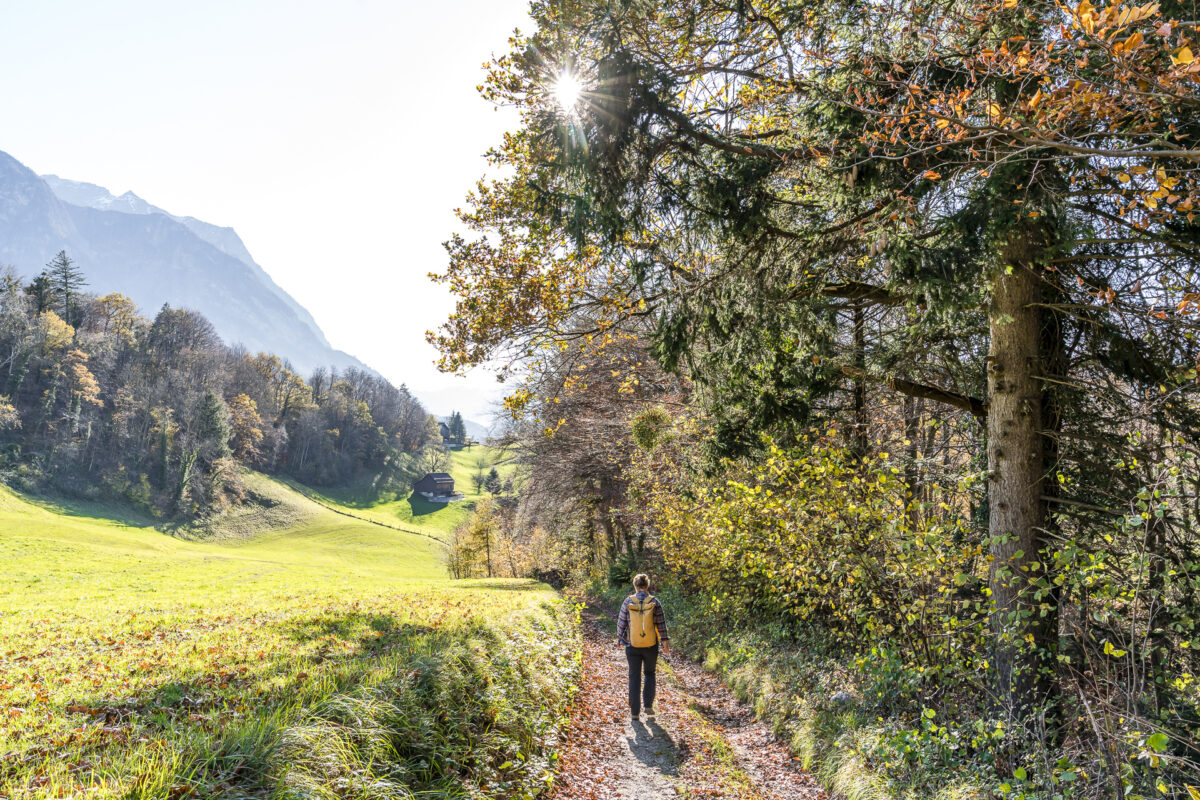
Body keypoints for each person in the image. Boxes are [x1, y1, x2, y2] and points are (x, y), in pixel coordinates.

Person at [616, 573, 670, 721]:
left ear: (635, 585)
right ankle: (648, 706)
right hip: (651, 645)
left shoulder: (628, 601)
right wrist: (665, 643)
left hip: (632, 645)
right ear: (647, 585)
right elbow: (661, 624)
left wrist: (620, 639)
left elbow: (621, 623)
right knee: (650, 673)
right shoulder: (655, 602)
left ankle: (634, 713)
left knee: (634, 676)